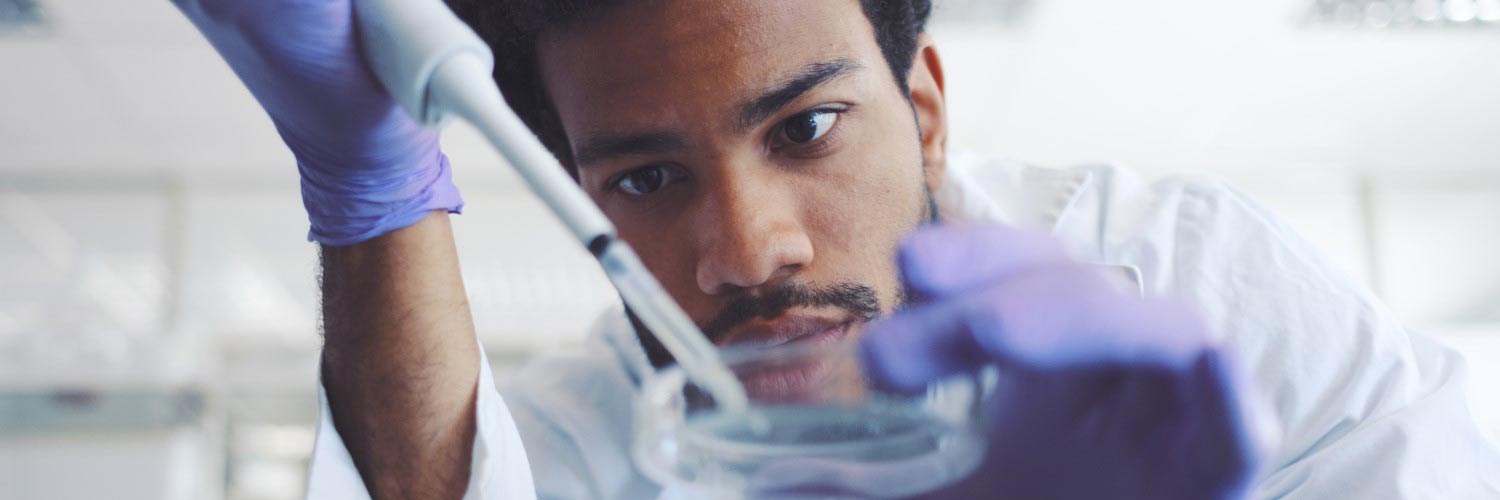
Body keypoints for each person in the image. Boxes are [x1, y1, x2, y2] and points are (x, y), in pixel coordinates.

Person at [172, 0, 1500, 498]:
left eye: (805, 127)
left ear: (922, 106)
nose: (745, 253)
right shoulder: (594, 433)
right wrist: (370, 184)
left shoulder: (1192, 276)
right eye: (645, 177)